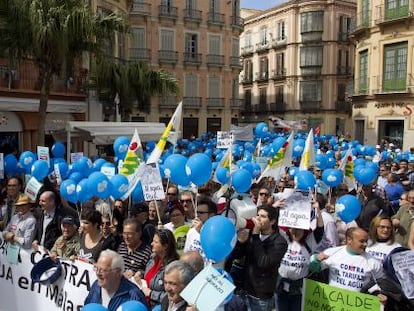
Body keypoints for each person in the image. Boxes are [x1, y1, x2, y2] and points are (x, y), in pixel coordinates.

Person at [231, 205, 288, 311]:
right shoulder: (253, 235)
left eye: (263, 216)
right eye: (257, 215)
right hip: (244, 290)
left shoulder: (279, 242)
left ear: (272, 221)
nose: (258, 218)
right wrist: (241, 243)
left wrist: (256, 236)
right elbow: (237, 256)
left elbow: (263, 262)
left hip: (260, 297)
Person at [309, 227, 386, 302]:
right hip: (333, 302)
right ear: (349, 240)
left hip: (358, 305)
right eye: (362, 241)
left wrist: (378, 294)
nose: (365, 244)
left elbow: (381, 284)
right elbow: (314, 269)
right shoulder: (333, 253)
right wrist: (316, 259)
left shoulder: (373, 262)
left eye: (366, 241)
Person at [276, 198, 324, 311]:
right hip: (281, 288)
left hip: (299, 291)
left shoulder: (310, 242)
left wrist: (318, 211)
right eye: (292, 229)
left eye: (299, 229)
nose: (295, 231)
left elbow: (320, 229)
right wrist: (275, 207)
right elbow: (273, 224)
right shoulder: (283, 239)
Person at [84, 249, 149, 311]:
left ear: (117, 272)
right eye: (96, 268)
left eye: (103, 270)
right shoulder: (96, 286)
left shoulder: (134, 296)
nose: (98, 273)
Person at [135, 229, 180, 307]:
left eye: (156, 242)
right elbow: (150, 274)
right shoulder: (152, 258)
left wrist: (151, 293)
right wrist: (140, 273)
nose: (152, 244)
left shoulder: (172, 268)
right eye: (152, 241)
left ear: (165, 246)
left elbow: (173, 295)